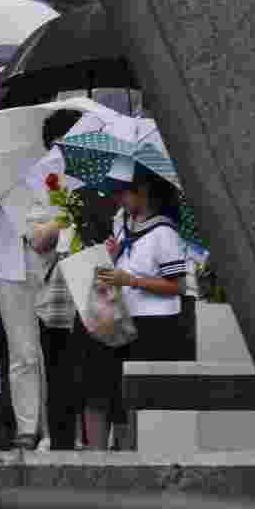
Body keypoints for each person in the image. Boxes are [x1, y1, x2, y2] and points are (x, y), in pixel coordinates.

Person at [0, 109, 84, 450]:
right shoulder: (5, 155)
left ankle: (63, 432)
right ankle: (26, 428)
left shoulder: (67, 159)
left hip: (54, 261)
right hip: (8, 261)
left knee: (58, 351)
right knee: (23, 351)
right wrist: (4, 181)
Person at [81, 161, 192, 450]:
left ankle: (131, 460)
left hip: (153, 327)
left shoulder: (164, 233)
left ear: (143, 192)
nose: (118, 199)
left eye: (123, 192)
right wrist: (114, 256)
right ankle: (101, 458)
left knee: (135, 400)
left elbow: (178, 286)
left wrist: (131, 280)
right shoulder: (124, 225)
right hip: (121, 318)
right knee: (105, 393)